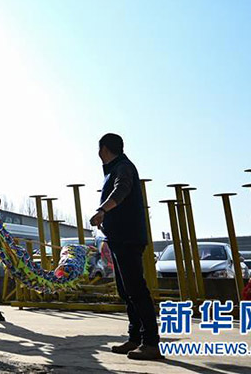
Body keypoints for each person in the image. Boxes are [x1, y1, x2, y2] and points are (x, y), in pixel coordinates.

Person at [89, 133, 161, 361]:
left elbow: (122, 189)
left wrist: (103, 210)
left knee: (136, 289)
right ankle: (135, 338)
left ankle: (151, 342)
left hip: (129, 239)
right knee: (126, 290)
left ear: (104, 149)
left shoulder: (123, 168)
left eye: (99, 149)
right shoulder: (114, 169)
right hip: (120, 239)